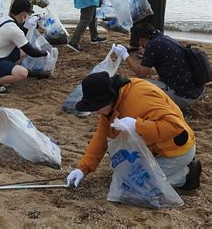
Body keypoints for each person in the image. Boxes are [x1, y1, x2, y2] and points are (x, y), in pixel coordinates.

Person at [66, 72, 201, 191]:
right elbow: (101, 138)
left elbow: (175, 127)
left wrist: (137, 125)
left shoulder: (141, 97)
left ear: (109, 99)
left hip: (175, 151)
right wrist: (82, 169)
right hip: (152, 150)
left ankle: (186, 175)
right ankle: (164, 172)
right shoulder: (110, 106)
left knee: (137, 187)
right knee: (124, 180)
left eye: (96, 106)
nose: (95, 111)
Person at [112, 22, 206, 110]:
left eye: (140, 42)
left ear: (142, 40)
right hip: (198, 91)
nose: (141, 45)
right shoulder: (166, 38)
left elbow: (141, 73)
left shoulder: (153, 45)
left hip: (184, 97)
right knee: (153, 82)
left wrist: (125, 55)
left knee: (137, 86)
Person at [0, 0, 49, 95]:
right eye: (28, 14)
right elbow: (31, 51)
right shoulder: (14, 30)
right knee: (23, 74)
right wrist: (46, 53)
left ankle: (10, 69)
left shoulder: (3, 19)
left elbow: (21, 35)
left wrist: (30, 25)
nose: (27, 16)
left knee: (23, 51)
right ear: (23, 13)